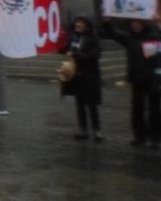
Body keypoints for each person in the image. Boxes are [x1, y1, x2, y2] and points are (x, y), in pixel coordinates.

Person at [101, 18, 161, 147]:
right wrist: (107, 22)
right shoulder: (130, 39)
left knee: (154, 110)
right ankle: (140, 136)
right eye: (133, 23)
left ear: (143, 24)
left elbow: (157, 62)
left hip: (152, 80)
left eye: (138, 23)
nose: (135, 26)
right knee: (137, 109)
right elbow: (112, 34)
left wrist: (157, 80)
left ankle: (155, 138)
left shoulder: (152, 38)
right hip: (136, 80)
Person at [60, 16, 103, 142]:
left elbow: (94, 56)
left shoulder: (93, 38)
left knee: (92, 105)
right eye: (77, 22)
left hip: (90, 76)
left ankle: (97, 131)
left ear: (87, 25)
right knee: (79, 104)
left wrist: (75, 54)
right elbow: (66, 51)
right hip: (76, 75)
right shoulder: (74, 37)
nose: (78, 24)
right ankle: (82, 129)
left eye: (81, 23)